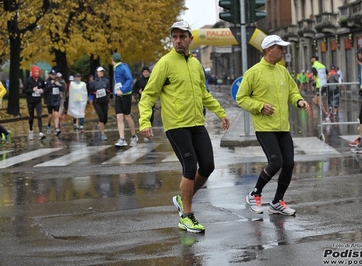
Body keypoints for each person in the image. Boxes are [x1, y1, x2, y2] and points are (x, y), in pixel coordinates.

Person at [139, 21, 230, 233]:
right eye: (175, 37)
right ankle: (186, 215)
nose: (178, 41)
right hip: (176, 125)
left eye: (182, 37)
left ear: (190, 39)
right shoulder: (165, 63)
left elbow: (203, 93)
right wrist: (145, 121)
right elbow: (148, 95)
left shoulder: (196, 64)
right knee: (189, 167)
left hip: (197, 122)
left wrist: (220, 112)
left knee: (207, 166)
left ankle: (183, 198)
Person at [236, 34, 309, 216]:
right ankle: (254, 194)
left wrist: (299, 101)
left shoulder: (282, 71)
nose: (283, 51)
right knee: (276, 162)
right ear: (269, 50)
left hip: (283, 127)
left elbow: (292, 91)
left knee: (289, 163)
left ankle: (277, 202)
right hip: (265, 127)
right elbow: (241, 98)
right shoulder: (253, 72)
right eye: (280, 48)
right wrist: (259, 106)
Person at [111, 52, 139, 147]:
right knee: (119, 117)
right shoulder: (115, 69)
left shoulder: (123, 67)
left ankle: (134, 136)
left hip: (125, 94)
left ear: (112, 60)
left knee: (127, 116)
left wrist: (122, 90)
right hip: (118, 95)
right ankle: (122, 139)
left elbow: (130, 79)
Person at [22, 65, 46, 140]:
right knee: (31, 117)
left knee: (39, 116)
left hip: (38, 101)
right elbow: (24, 90)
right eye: (35, 72)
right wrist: (32, 90)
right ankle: (31, 130)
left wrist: (43, 90)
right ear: (33, 72)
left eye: (38, 72)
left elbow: (44, 87)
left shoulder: (41, 80)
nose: (37, 73)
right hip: (30, 101)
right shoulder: (29, 80)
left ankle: (40, 132)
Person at [89, 66, 110, 141]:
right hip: (97, 102)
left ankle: (100, 125)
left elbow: (109, 89)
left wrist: (107, 91)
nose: (101, 73)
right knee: (101, 117)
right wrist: (95, 92)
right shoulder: (93, 82)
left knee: (105, 118)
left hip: (105, 101)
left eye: (102, 71)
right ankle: (103, 134)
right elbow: (90, 91)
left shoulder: (106, 81)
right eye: (100, 71)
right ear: (97, 73)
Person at [44, 69, 64, 136]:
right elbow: (45, 90)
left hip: (56, 100)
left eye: (54, 75)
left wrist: (59, 85)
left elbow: (63, 89)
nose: (53, 76)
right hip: (49, 101)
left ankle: (56, 128)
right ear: (50, 75)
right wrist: (51, 85)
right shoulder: (47, 81)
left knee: (56, 114)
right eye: (52, 74)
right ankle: (49, 124)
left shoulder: (57, 81)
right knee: (50, 115)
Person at [310, 54, 329, 121]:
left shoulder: (314, 66)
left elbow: (314, 77)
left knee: (318, 101)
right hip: (324, 84)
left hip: (319, 85)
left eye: (311, 58)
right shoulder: (322, 65)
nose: (310, 60)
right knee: (315, 101)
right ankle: (324, 112)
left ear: (314, 59)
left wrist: (310, 80)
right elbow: (328, 74)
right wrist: (325, 80)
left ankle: (326, 113)